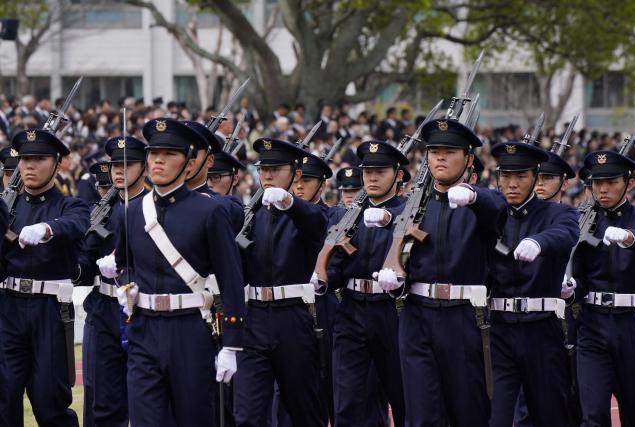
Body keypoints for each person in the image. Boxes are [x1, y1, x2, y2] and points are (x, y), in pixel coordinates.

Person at [98, 118, 246, 425]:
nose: (158, 161)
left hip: (189, 330)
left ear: (190, 164)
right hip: (144, 331)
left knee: (193, 418)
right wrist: (123, 280)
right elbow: (126, 264)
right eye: (153, 154)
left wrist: (231, 344)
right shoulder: (130, 212)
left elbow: (231, 280)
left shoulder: (211, 211)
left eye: (169, 154)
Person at [372, 119, 506, 426]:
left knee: (468, 411)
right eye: (434, 152)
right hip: (416, 316)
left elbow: (496, 209)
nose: (440, 158)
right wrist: (392, 275)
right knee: (420, 414)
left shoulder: (483, 202)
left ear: (469, 159)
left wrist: (473, 196)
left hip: (464, 317)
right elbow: (397, 241)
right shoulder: (415, 206)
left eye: (449, 151)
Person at [234, 138, 327, 427]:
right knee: (247, 413)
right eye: (264, 169)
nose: (268, 175)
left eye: (276, 169)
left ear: (296, 174)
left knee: (303, 408)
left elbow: (316, 222)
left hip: (292, 318)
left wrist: (291, 203)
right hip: (254, 318)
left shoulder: (305, 212)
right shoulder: (251, 213)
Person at [0, 128, 90, 427]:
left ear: (57, 163)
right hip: (9, 307)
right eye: (25, 159)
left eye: (38, 159)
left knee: (49, 399)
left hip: (50, 311)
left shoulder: (69, 205)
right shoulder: (8, 207)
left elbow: (76, 224)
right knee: (5, 396)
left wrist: (47, 229)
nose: (28, 166)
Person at [487, 139, 578, 427]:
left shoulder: (556, 213)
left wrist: (538, 241)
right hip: (499, 328)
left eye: (520, 176)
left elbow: (565, 233)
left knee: (548, 414)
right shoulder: (494, 214)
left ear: (535, 177)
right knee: (498, 416)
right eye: (506, 176)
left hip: (541, 329)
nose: (511, 183)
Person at [318, 140, 408, 426]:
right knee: (348, 398)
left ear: (399, 175)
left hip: (393, 312)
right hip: (352, 310)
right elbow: (335, 269)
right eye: (367, 171)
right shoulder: (347, 215)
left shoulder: (410, 213)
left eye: (380, 171)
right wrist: (322, 277)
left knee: (403, 395)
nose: (371, 177)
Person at [75, 136, 148, 427]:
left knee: (146, 398)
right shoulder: (100, 212)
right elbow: (82, 262)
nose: (118, 171)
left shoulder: (153, 207)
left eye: (126, 164)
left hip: (142, 307)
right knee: (103, 401)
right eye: (115, 165)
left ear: (144, 167)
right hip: (105, 306)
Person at [571, 149, 635, 426]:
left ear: (630, 183)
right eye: (597, 183)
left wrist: (630, 238)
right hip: (593, 324)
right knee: (594, 414)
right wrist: (569, 288)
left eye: (611, 182)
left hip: (633, 324)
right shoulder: (584, 221)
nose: (603, 189)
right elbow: (577, 272)